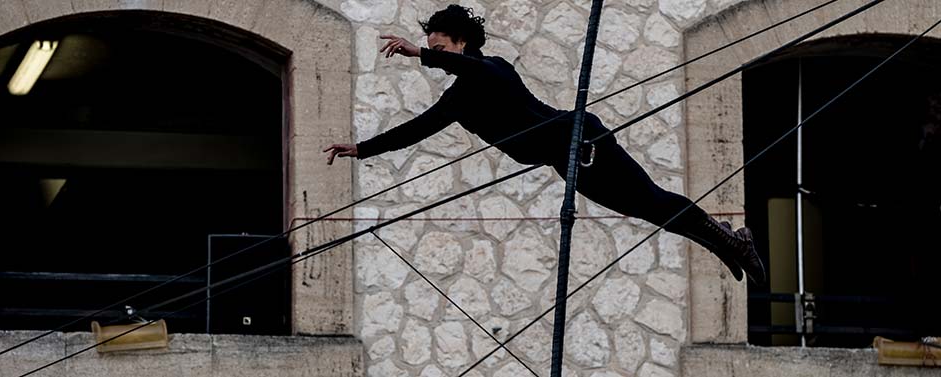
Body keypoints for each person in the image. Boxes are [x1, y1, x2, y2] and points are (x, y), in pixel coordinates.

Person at [325, 4, 766, 284]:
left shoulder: (492, 69)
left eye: (441, 48)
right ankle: (725, 242)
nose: (436, 57)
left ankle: (731, 241)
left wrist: (418, 53)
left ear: (462, 43)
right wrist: (361, 150)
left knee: (650, 198)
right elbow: (415, 130)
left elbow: (479, 73)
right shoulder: (458, 98)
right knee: (646, 208)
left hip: (582, 139)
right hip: (566, 159)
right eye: (432, 49)